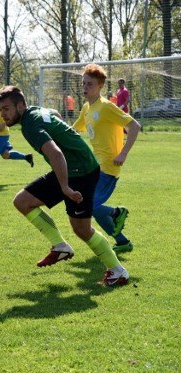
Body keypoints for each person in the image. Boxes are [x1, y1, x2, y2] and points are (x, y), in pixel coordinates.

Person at [0, 85, 129, 286]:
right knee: (23, 201)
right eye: (0, 110)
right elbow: (54, 113)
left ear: (20, 106)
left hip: (81, 172)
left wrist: (65, 188)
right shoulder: (36, 111)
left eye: (6, 108)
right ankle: (60, 247)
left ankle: (118, 272)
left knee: (82, 229)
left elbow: (56, 154)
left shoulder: (30, 126)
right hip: (69, 168)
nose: (2, 114)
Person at [73, 64, 140, 254]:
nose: (85, 87)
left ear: (100, 86)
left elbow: (135, 126)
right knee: (91, 206)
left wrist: (124, 153)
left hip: (109, 165)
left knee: (88, 204)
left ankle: (117, 212)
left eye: (90, 84)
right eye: (83, 83)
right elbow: (75, 130)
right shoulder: (87, 107)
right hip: (95, 166)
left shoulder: (107, 106)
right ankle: (122, 241)